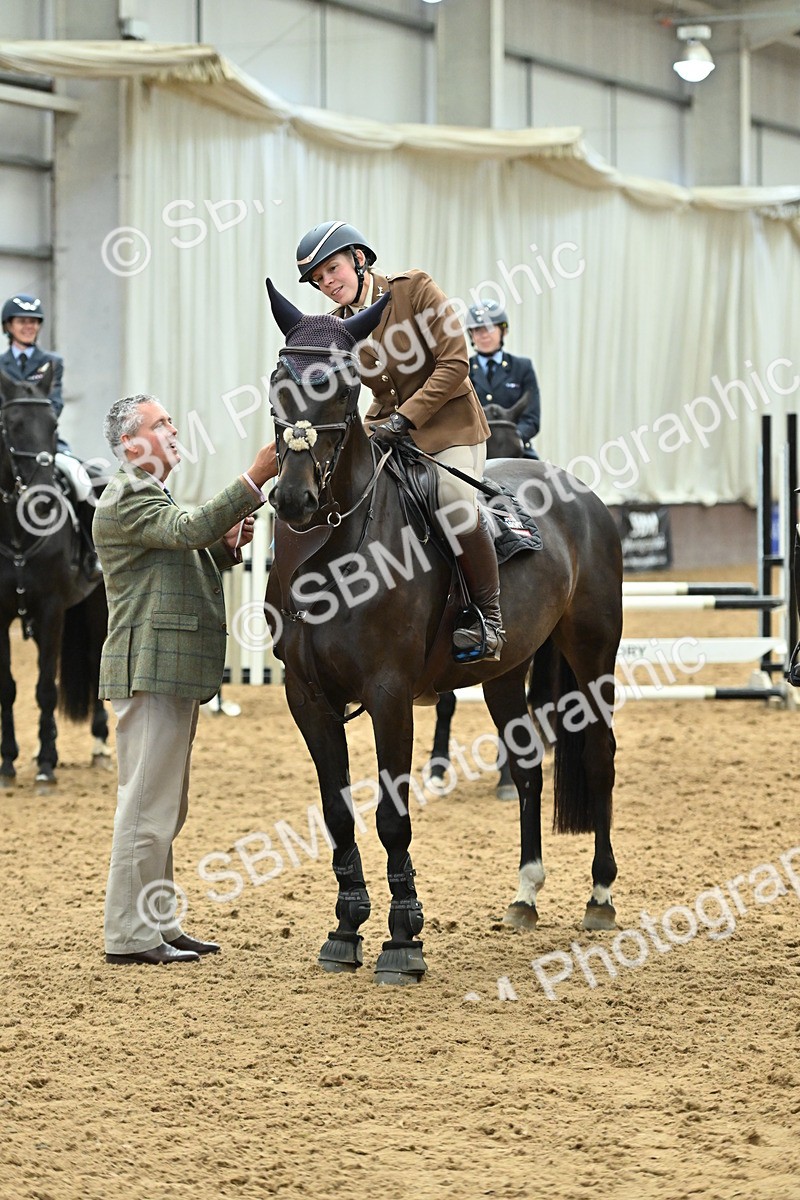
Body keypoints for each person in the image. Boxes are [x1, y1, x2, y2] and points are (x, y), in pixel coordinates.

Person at [95, 393, 277, 965]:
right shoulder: (129, 494)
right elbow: (190, 527)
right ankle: (128, 935)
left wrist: (223, 549)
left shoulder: (149, 495)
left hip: (164, 668)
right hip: (149, 667)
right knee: (147, 805)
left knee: (163, 805)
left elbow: (181, 548)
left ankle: (158, 921)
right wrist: (254, 477)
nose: (174, 429)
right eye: (161, 423)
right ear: (131, 445)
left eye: (172, 420)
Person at [294, 219, 503, 661]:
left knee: (451, 500)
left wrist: (405, 419)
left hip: (451, 427)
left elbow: (455, 363)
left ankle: (488, 616)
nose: (328, 284)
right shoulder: (335, 326)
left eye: (332, 270)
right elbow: (350, 394)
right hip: (387, 426)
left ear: (359, 258)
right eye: (318, 280)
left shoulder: (415, 290)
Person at [1, 292, 102, 580]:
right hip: (6, 446)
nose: (28, 327)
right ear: (9, 325)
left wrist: (33, 420)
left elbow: (54, 402)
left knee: (82, 482)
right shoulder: (0, 364)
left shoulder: (52, 362)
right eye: (22, 321)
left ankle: (90, 553)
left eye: (33, 322)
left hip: (44, 443)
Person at [466, 299, 541, 459]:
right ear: (471, 334)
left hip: (515, 448)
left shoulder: (522, 367)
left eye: (490, 328)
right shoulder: (462, 370)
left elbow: (531, 418)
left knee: (546, 482)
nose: (484, 334)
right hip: (476, 451)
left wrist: (513, 437)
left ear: (503, 331)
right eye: (478, 330)